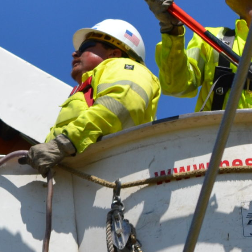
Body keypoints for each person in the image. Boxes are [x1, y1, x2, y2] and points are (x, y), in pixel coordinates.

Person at [26, 19, 161, 175]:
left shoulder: (122, 66)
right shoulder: (86, 89)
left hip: (111, 174)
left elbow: (120, 104)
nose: (75, 53)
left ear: (114, 54)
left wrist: (64, 144)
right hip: (78, 179)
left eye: (85, 47)